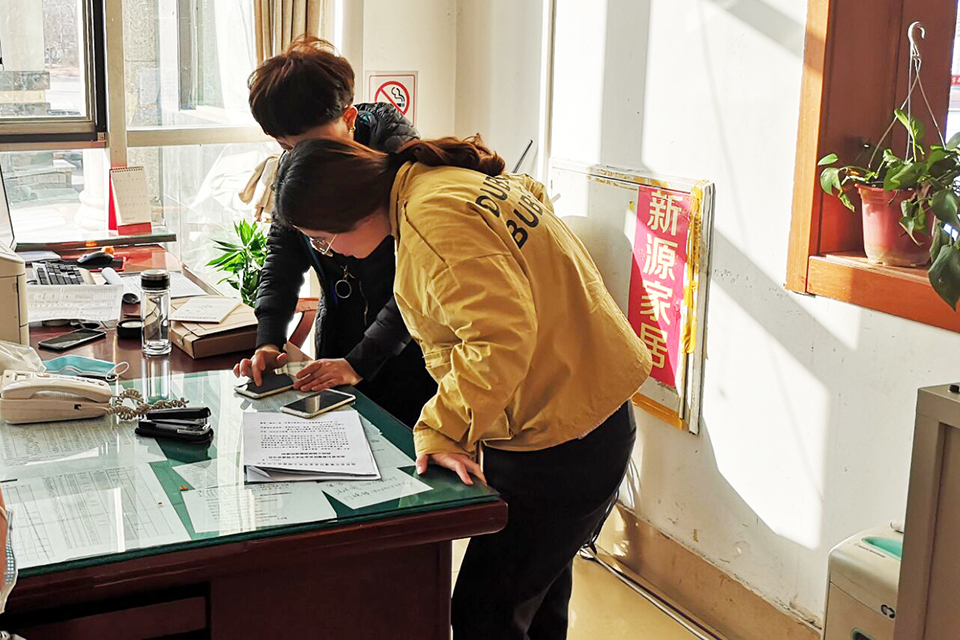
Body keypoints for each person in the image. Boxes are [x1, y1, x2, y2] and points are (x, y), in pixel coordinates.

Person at [272, 135, 653, 640]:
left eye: (322, 239)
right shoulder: (438, 183)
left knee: (484, 614)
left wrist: (440, 429)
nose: (330, 251)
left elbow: (498, 338)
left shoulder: (432, 220)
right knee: (538, 600)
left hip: (564, 434)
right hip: (581, 408)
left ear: (352, 215)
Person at [234, 36, 436, 427]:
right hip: (340, 339)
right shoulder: (297, 164)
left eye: (311, 144)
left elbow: (417, 290)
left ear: (349, 118)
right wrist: (269, 341)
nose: (303, 159)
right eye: (289, 148)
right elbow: (281, 259)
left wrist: (360, 362)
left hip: (407, 353)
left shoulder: (404, 171)